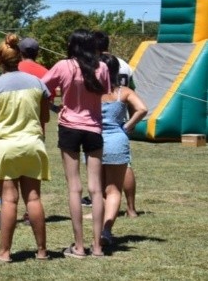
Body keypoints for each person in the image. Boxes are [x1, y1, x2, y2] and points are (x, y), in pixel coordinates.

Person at [0, 34, 51, 262]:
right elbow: (45, 117)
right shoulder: (37, 83)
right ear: (19, 57)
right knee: (34, 199)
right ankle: (42, 251)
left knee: (9, 200)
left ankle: (5, 252)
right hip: (32, 145)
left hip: (5, 147)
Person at [41, 29, 110, 258]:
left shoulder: (64, 65)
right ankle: (97, 247)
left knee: (74, 187)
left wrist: (54, 107)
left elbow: (41, 87)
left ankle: (79, 246)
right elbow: (105, 93)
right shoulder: (102, 67)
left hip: (69, 127)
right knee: (96, 188)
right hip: (94, 128)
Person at [99, 54, 147, 246]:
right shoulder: (123, 92)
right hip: (117, 140)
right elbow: (142, 109)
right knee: (113, 190)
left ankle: (97, 230)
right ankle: (106, 230)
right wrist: (127, 126)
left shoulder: (90, 92)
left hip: (95, 141)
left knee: (98, 190)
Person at [92, 30, 139, 217]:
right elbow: (133, 92)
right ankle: (131, 208)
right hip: (121, 121)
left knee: (101, 173)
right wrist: (130, 123)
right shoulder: (124, 65)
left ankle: (103, 210)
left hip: (103, 125)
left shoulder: (95, 64)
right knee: (125, 165)